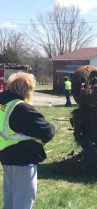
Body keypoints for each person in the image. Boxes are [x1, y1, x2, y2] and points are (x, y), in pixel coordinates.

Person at [0, 72, 55, 209]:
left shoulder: (3, 106)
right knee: (24, 201)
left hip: (6, 156)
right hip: (23, 158)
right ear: (27, 90)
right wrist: (53, 127)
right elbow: (46, 131)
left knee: (11, 198)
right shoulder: (20, 108)